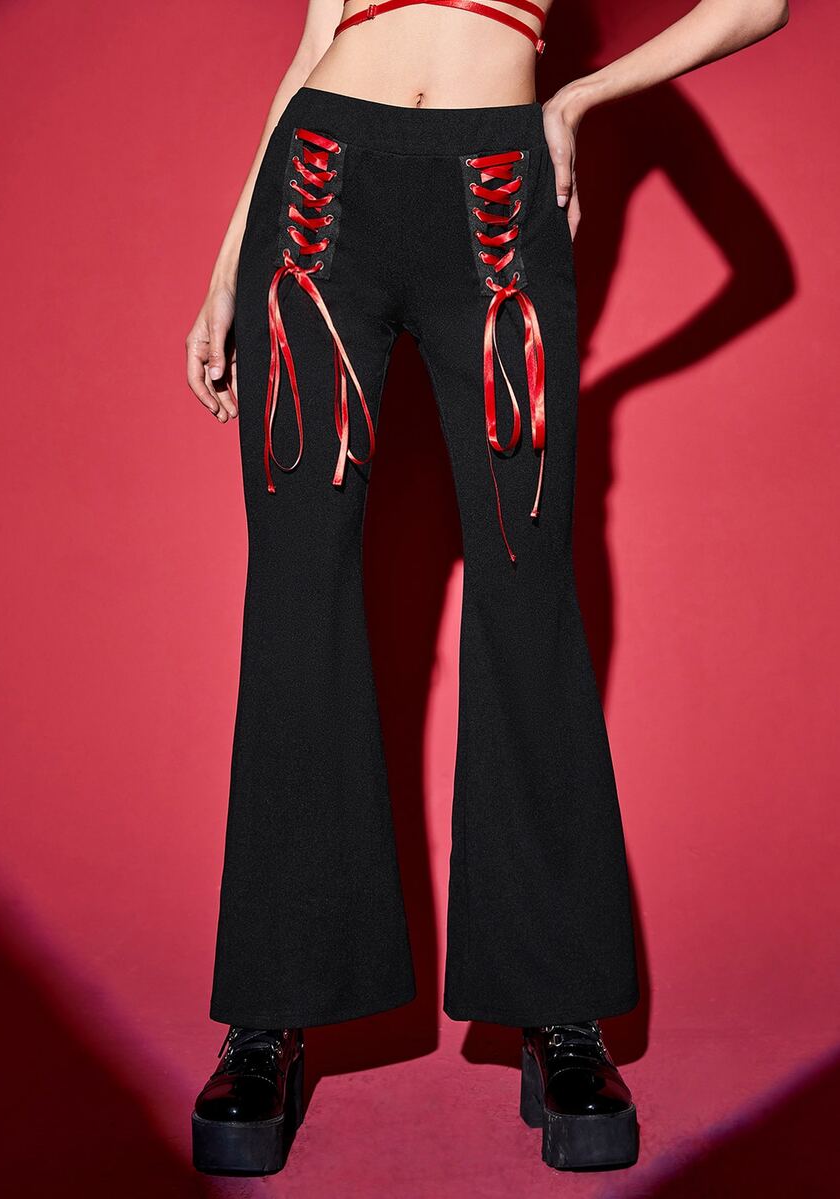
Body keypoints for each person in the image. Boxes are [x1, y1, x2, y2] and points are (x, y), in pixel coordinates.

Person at [185, 0, 789, 1176]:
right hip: (319, 194)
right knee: (296, 597)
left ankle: (558, 1007)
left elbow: (757, 2)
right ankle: (270, 1013)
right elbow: (312, 45)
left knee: (527, 596)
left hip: (497, 203)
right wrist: (223, 269)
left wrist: (578, 100)